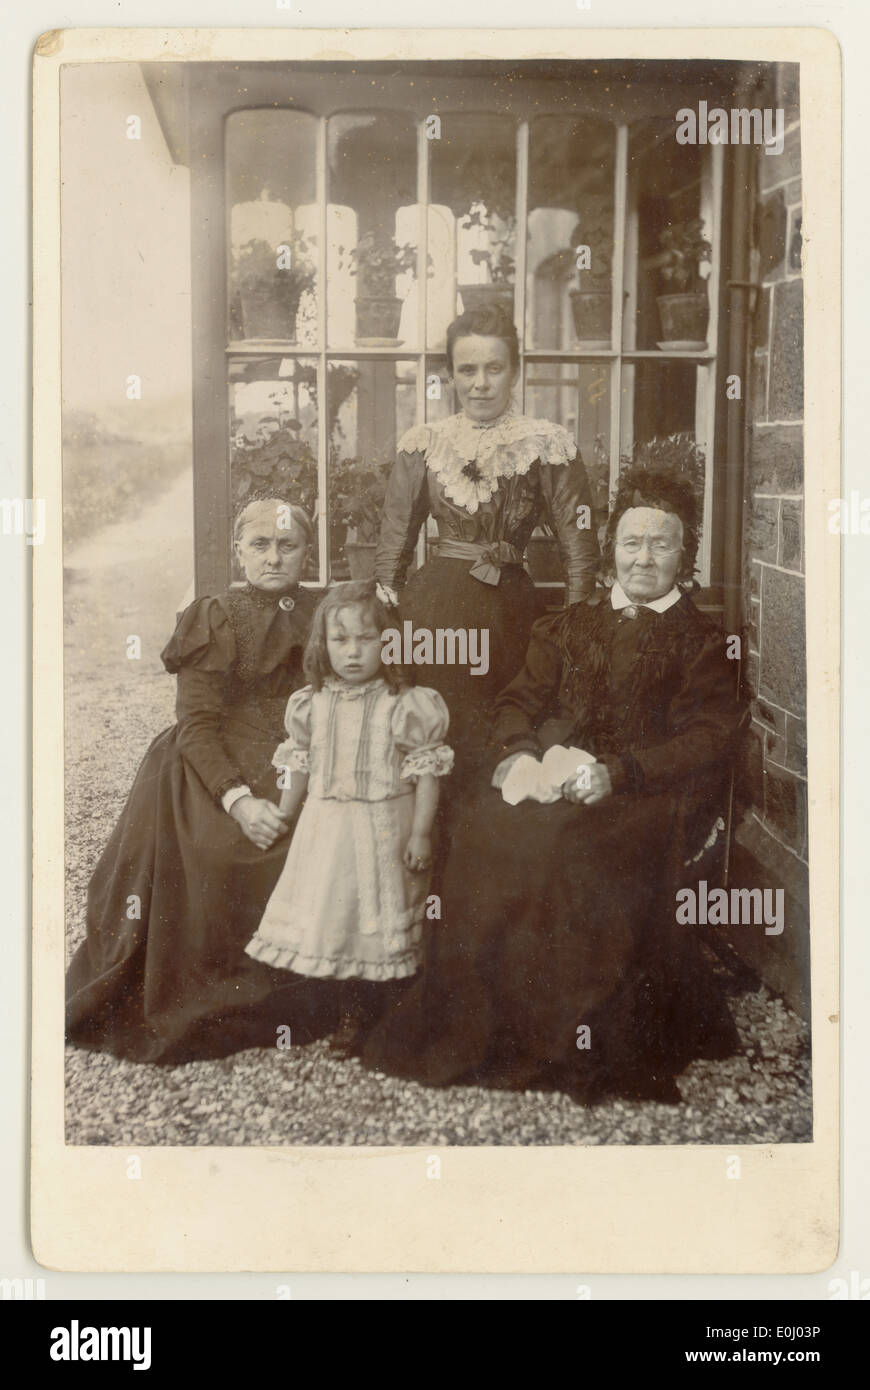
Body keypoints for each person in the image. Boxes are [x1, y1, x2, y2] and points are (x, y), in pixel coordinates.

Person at [362, 466, 749, 1104]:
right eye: (631, 543)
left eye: (661, 544)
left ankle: (561, 1035)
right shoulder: (569, 624)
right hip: (552, 775)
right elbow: (516, 702)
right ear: (611, 551)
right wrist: (517, 756)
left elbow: (707, 739)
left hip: (640, 795)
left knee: (562, 849)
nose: (643, 558)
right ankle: (482, 1027)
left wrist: (618, 774)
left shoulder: (702, 642)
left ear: (685, 555)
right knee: (486, 828)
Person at [66, 495, 325, 1064]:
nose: (274, 557)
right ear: (238, 551)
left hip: (303, 750)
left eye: (288, 545)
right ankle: (226, 992)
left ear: (308, 552)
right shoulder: (215, 615)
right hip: (215, 757)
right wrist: (239, 801)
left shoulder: (323, 613)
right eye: (260, 545)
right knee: (220, 849)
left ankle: (323, 987)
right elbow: (197, 724)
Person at [376, 303, 599, 789]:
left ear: (514, 371)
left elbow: (578, 546)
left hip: (510, 611)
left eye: (494, 369)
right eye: (467, 370)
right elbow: (396, 536)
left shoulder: (547, 443)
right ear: (451, 376)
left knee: (503, 734)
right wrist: (388, 611)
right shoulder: (425, 443)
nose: (480, 383)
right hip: (433, 612)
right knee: (433, 734)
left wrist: (576, 624)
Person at [245, 580, 453, 1054]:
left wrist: (421, 833)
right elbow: (298, 763)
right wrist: (282, 812)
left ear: (390, 643)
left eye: (366, 640)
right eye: (341, 641)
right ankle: (348, 1012)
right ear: (324, 645)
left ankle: (389, 1011)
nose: (353, 652)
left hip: (385, 825)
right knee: (335, 914)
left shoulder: (406, 705)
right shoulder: (311, 704)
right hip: (327, 827)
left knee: (379, 914)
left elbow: (426, 773)